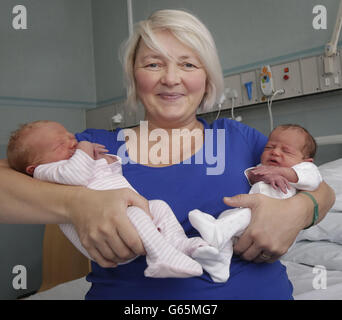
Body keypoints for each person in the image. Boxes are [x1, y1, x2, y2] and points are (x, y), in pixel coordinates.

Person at [0, 9, 335, 299]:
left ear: (206, 79)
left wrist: (300, 210)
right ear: (134, 74)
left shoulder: (240, 139)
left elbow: (319, 184)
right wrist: (76, 204)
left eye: (188, 64)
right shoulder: (89, 150)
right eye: (153, 64)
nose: (171, 78)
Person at [6, 120, 209, 278]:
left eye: (69, 136)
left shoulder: (75, 159)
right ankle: (161, 256)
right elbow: (76, 175)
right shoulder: (45, 171)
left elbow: (110, 179)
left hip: (130, 212)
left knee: (159, 207)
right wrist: (85, 147)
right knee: (134, 211)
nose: (72, 142)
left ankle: (180, 244)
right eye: (60, 144)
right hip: (110, 241)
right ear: (32, 167)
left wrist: (107, 162)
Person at [189, 124, 322, 283]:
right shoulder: (263, 167)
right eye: (269, 147)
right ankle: (220, 264)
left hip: (273, 226)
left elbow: (314, 181)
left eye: (286, 151)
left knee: (243, 215)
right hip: (247, 225)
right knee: (228, 215)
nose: (275, 152)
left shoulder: (305, 170)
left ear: (305, 161)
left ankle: (217, 231)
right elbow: (251, 175)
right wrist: (262, 175)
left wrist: (281, 172)